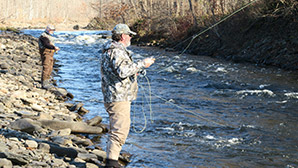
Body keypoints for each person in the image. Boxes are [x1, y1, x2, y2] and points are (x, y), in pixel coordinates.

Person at [100, 23, 155, 168]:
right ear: (123, 36)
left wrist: (134, 71)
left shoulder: (110, 50)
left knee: (117, 128)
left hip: (114, 95)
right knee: (120, 130)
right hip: (118, 97)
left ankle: (112, 160)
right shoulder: (117, 52)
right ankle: (111, 163)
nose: (131, 37)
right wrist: (143, 64)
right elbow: (123, 71)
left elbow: (116, 72)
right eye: (129, 35)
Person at [38, 25, 60, 89]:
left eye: (53, 30)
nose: (52, 31)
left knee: (50, 68)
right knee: (46, 67)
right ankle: (44, 83)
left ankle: (47, 81)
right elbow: (46, 44)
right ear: (47, 29)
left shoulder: (49, 36)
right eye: (51, 30)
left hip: (50, 53)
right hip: (46, 53)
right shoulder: (43, 36)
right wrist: (54, 47)